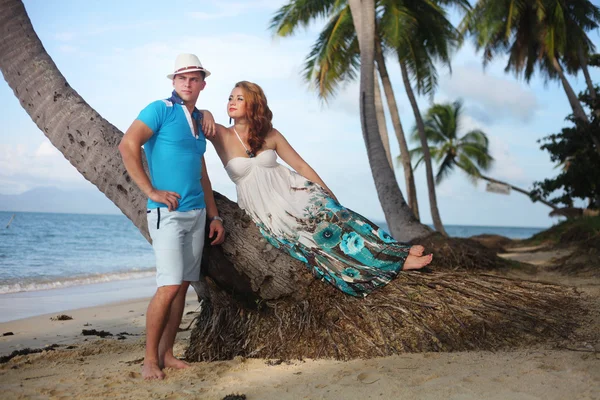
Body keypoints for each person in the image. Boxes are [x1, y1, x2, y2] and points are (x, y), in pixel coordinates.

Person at [208, 81, 432, 298]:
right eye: (230, 97)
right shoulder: (221, 135)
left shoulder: (271, 134)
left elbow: (300, 166)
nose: (232, 102)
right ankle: (386, 264)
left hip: (296, 193)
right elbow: (195, 116)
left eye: (240, 98)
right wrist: (207, 112)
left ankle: (396, 255)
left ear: (254, 105)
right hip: (268, 212)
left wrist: (328, 192)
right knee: (312, 242)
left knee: (339, 217)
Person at [118, 53, 225, 380]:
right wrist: (151, 191)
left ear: (202, 84)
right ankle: (149, 359)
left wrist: (215, 215)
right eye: (182, 78)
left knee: (180, 286)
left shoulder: (198, 121)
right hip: (168, 214)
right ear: (174, 82)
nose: (188, 83)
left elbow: (202, 173)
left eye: (194, 79)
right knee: (167, 286)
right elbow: (128, 145)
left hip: (196, 215)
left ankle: (167, 353)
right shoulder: (159, 109)